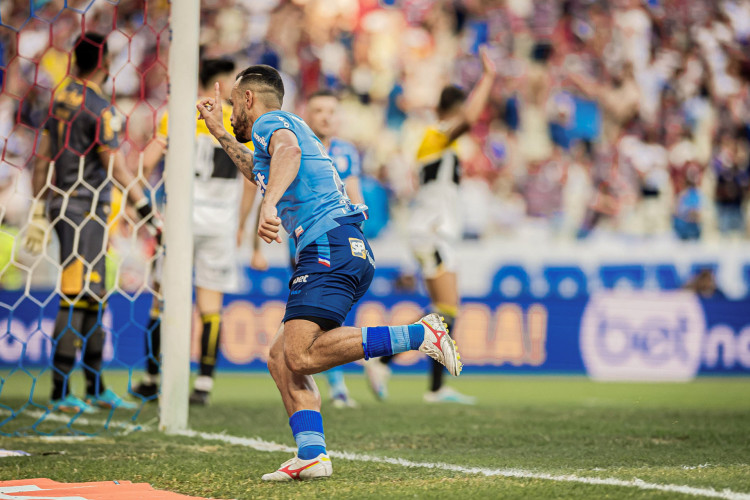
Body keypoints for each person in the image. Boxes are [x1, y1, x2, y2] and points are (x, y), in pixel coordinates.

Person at [196, 64, 462, 481]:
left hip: (328, 243)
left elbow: (288, 153)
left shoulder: (273, 122)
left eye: (232, 104)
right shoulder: (280, 130)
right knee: (281, 358)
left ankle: (421, 334)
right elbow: (259, 169)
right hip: (339, 245)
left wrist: (268, 207)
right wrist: (219, 132)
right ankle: (312, 454)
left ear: (249, 98)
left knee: (300, 353)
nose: (231, 112)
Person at [23, 33, 155, 413]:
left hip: (65, 205)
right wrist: (143, 205)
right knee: (76, 294)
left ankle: (94, 388)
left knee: (93, 294)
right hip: (85, 207)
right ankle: (62, 391)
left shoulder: (60, 97)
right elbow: (113, 164)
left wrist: (37, 208)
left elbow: (43, 156)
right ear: (107, 63)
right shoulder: (100, 107)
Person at [365, 48, 495, 405]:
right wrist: (488, 79)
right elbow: (468, 118)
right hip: (433, 230)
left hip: (436, 229)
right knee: (447, 308)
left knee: (445, 309)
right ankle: (386, 359)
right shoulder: (438, 134)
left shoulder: (436, 141)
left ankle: (433, 386)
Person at [131, 58, 256, 406]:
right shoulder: (237, 120)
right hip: (219, 223)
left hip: (180, 219)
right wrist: (242, 225)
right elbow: (250, 181)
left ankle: (152, 378)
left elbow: (146, 164)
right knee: (210, 304)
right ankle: (203, 384)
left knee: (163, 296)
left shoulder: (180, 113)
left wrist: (140, 205)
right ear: (224, 81)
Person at [304, 89, 364, 408]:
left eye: (331, 110)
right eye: (319, 110)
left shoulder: (346, 152)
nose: (326, 116)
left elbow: (355, 196)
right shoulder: (298, 147)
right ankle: (340, 380)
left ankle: (337, 382)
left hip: (340, 242)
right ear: (307, 115)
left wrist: (357, 234)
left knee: (329, 316)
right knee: (316, 317)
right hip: (309, 243)